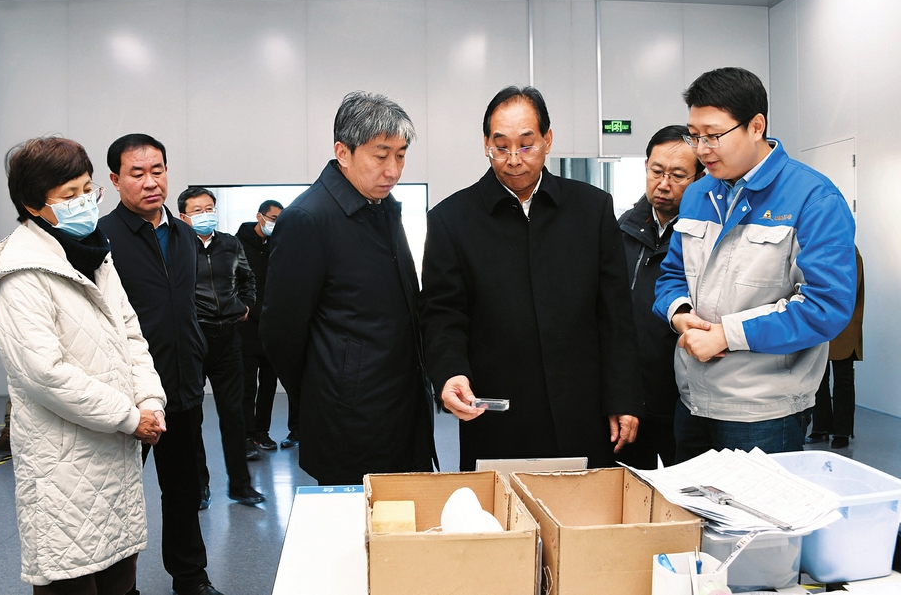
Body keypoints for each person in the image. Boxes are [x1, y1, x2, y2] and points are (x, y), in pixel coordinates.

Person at [419, 85, 642, 471]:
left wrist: (623, 396)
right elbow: (442, 314)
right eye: (501, 147)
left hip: (582, 410)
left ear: (547, 140)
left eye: (526, 145)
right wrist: (450, 372)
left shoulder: (591, 209)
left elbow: (616, 314)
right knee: (502, 507)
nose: (513, 159)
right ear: (485, 144)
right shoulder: (451, 220)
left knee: (584, 505)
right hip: (496, 414)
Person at [0, 136, 167, 594]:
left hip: (115, 452)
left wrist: (149, 400)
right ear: (33, 205)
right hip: (64, 462)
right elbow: (45, 374)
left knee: (119, 574)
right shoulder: (20, 274)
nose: (85, 202)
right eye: (70, 195)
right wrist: (129, 417)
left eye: (88, 189)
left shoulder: (94, 254)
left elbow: (130, 334)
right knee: (71, 574)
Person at [653, 67, 857, 463]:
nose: (701, 149)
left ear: (756, 126)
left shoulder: (813, 198)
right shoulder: (697, 195)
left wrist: (726, 335)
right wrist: (680, 315)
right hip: (692, 401)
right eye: (694, 135)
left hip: (764, 414)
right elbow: (672, 275)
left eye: (713, 135)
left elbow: (826, 307)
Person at [260, 91, 437, 486]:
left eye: (401, 155)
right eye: (381, 155)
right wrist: (332, 392)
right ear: (343, 152)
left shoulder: (382, 206)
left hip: (402, 406)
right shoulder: (308, 219)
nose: (393, 170)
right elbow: (280, 334)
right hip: (350, 422)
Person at [99, 134, 224, 595]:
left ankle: (190, 578)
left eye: (158, 171)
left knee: (184, 490)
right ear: (115, 180)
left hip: (184, 385)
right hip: (129, 394)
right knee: (116, 496)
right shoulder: (100, 239)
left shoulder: (185, 235)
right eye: (137, 173)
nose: (151, 182)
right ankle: (118, 586)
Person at [616, 125, 705, 469]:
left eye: (678, 175)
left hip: (685, 398)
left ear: (699, 178)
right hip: (631, 399)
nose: (664, 184)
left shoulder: (704, 234)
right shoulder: (623, 228)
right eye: (656, 171)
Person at [178, 187, 263, 505]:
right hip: (193, 338)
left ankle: (241, 485)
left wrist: (245, 305)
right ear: (183, 217)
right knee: (192, 417)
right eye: (197, 210)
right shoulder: (177, 246)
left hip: (228, 338)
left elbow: (247, 278)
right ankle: (199, 486)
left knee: (234, 415)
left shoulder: (230, 243)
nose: (205, 215)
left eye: (209, 208)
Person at [236, 200, 300, 456]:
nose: (276, 224)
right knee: (246, 386)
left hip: (273, 329)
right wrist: (251, 310)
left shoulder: (279, 245)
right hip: (247, 326)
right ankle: (246, 434)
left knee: (269, 384)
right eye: (273, 218)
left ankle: (262, 432)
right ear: (259, 217)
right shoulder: (237, 244)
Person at [807, 247, 864, 449]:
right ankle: (820, 428)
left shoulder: (851, 252)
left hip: (844, 326)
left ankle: (842, 432)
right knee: (818, 380)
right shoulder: (818, 249)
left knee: (843, 381)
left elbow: (849, 289)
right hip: (821, 323)